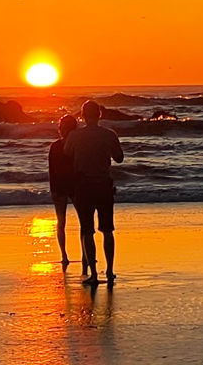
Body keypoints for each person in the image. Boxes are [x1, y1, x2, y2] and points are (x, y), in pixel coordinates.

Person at [63, 99, 124, 285]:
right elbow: (119, 158)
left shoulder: (74, 136)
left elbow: (67, 155)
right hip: (104, 185)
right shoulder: (109, 134)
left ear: (82, 115)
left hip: (84, 186)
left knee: (87, 230)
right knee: (107, 230)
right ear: (99, 114)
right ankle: (110, 271)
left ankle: (94, 274)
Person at [47, 114, 87, 274]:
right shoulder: (62, 146)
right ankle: (70, 255)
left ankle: (75, 254)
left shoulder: (58, 146)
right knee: (69, 222)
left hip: (70, 186)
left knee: (72, 222)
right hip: (68, 186)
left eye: (65, 127)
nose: (63, 130)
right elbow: (53, 170)